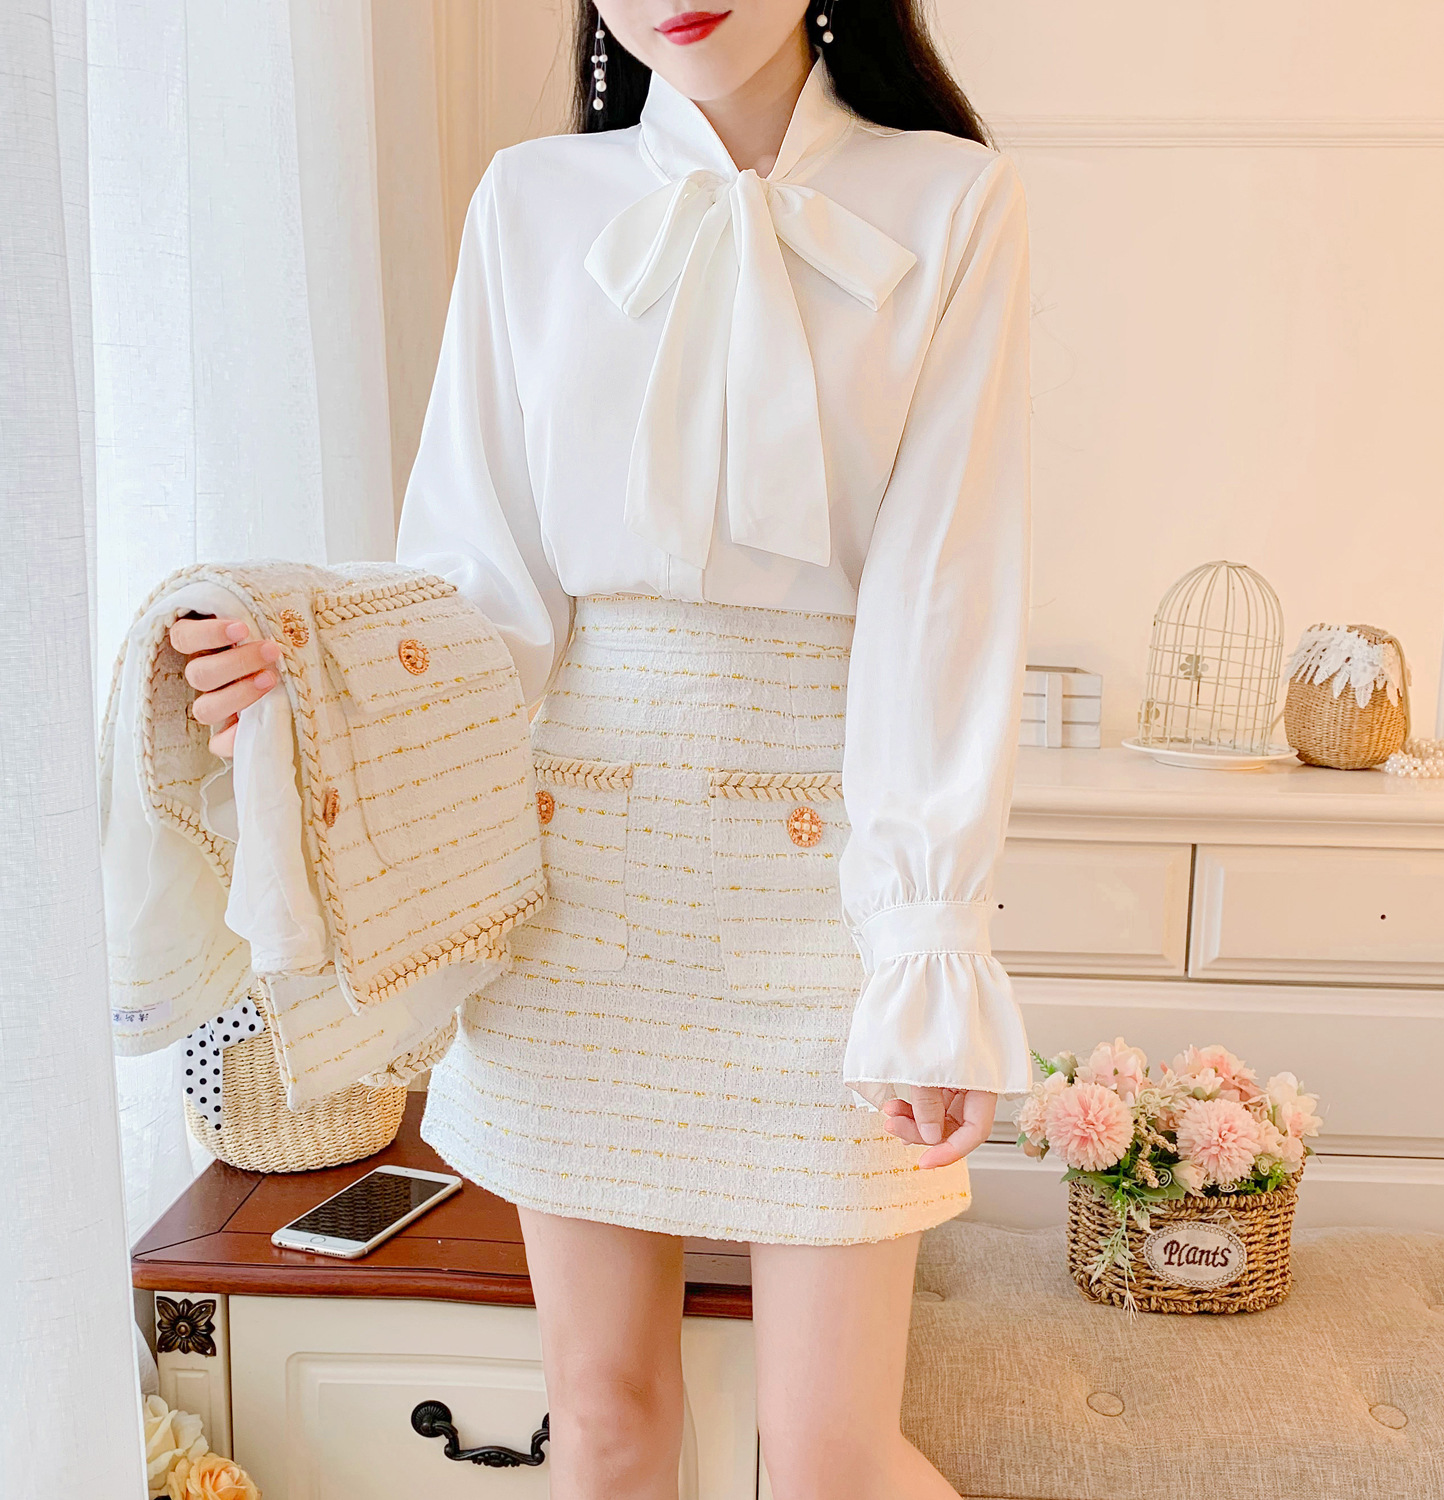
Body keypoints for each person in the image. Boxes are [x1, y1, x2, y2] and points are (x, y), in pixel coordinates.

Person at [173, 3, 1033, 1495]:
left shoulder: (953, 200)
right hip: (575, 896)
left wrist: (929, 936)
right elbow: (479, 589)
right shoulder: (530, 200)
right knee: (606, 1414)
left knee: (829, 1460)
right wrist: (303, 663)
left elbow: (945, 600)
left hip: (832, 896)